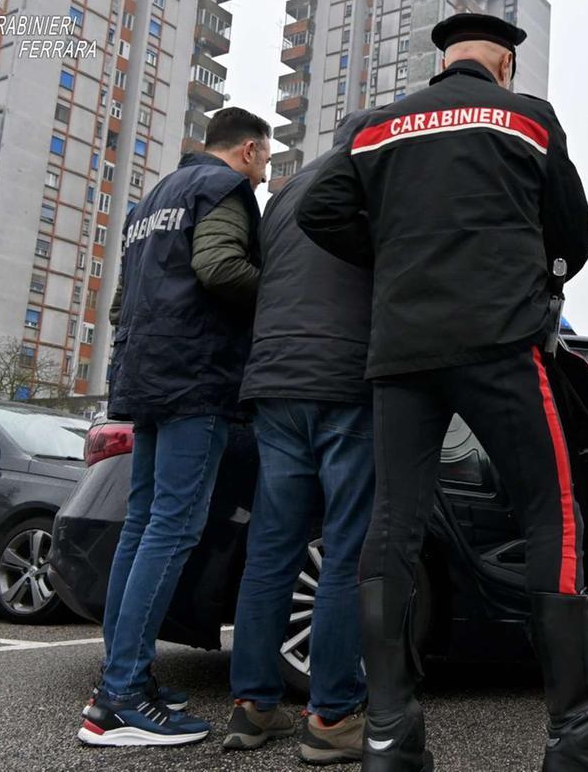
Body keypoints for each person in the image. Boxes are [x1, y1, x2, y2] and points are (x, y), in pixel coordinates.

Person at [297, 13, 588, 772]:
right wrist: (536, 281)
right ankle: (575, 739)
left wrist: (401, 256)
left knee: (393, 522)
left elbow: (316, 210)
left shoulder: (376, 127)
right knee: (551, 513)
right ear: (503, 64)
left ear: (443, 64)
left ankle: (389, 740)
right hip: (501, 341)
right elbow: (575, 229)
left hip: (402, 350)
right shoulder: (527, 118)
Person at [79, 107, 271, 747]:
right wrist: (281, 296)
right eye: (266, 161)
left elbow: (118, 301)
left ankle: (121, 676)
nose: (264, 174)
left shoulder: (149, 203)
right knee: (173, 525)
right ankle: (123, 698)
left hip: (145, 371)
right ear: (247, 150)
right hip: (197, 376)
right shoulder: (224, 189)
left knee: (143, 524)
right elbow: (219, 268)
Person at [223, 111, 378, 764]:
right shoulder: (375, 183)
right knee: (345, 547)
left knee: (271, 549)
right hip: (344, 380)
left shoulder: (285, 193)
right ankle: (333, 715)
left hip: (274, 383)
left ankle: (253, 705)